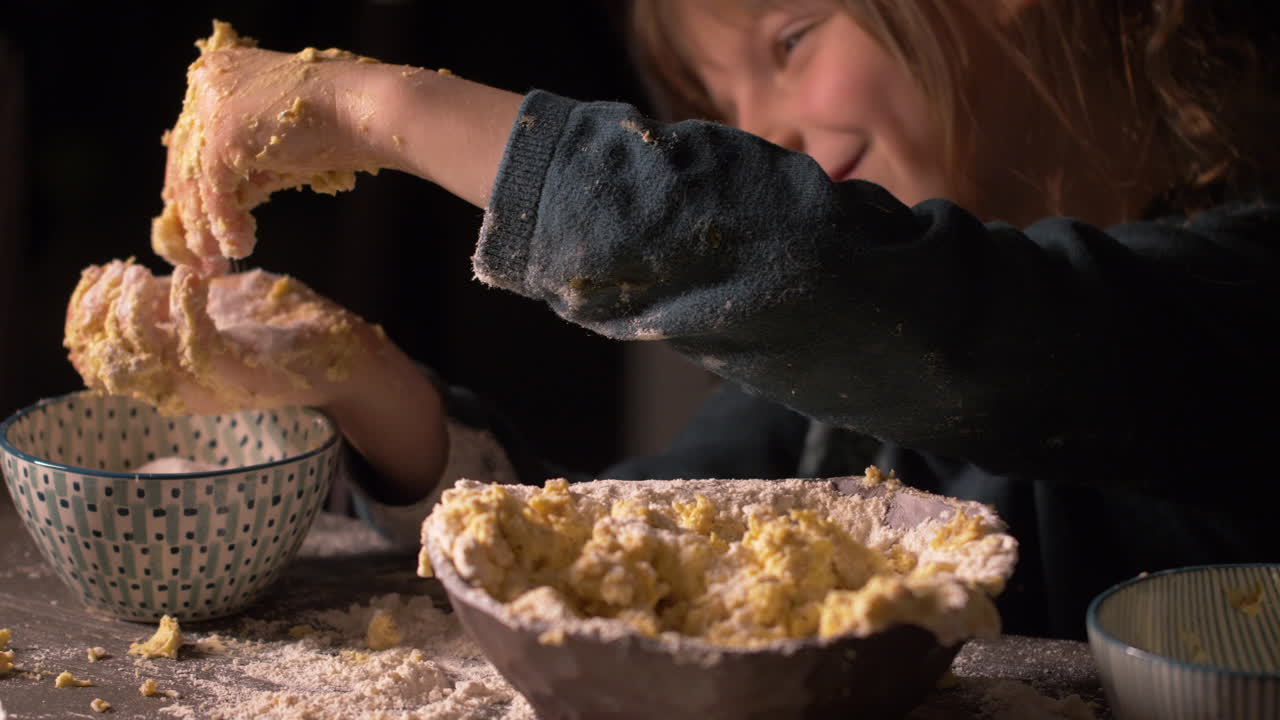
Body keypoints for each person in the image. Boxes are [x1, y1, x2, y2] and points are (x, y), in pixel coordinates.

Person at [67, 1, 1278, 640]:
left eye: (789, 40)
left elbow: (920, 314)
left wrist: (381, 109)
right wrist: (364, 382)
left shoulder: (1231, 295)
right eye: (717, 103)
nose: (761, 124)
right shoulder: (816, 402)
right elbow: (596, 554)